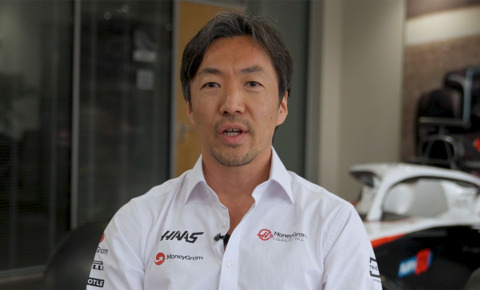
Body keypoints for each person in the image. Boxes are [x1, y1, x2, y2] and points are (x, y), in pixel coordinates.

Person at [87, 11, 382, 290]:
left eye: (252, 83)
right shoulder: (137, 222)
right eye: (212, 84)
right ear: (189, 107)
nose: (231, 104)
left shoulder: (334, 224)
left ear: (282, 106)